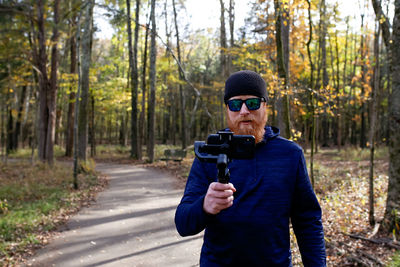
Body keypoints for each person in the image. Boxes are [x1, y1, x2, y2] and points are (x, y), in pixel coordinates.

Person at [175, 70, 326, 266]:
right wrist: (204, 206)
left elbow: (307, 220)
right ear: (227, 109)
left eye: (253, 103)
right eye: (235, 104)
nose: (244, 111)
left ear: (265, 106)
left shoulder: (289, 154)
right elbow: (183, 223)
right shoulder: (209, 153)